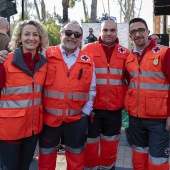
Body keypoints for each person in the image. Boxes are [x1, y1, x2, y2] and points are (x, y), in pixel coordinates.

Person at [38, 20, 96, 170]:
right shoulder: (46, 54)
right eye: (68, 33)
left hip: (77, 120)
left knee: (76, 159)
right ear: (60, 34)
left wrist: (86, 112)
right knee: (46, 158)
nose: (72, 37)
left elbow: (92, 88)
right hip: (49, 119)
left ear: (81, 37)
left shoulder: (88, 60)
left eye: (77, 34)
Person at [0, 19, 49, 170]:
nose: (31, 38)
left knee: (25, 166)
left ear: (40, 39)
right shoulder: (5, 62)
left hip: (32, 129)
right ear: (19, 38)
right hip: (10, 130)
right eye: (26, 34)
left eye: (35, 34)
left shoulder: (44, 63)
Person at [82, 17, 130, 170]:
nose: (108, 33)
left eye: (112, 30)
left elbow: (132, 81)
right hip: (92, 110)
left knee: (110, 146)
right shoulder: (88, 50)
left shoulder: (126, 53)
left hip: (114, 111)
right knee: (90, 145)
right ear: (100, 31)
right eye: (105, 30)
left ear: (117, 32)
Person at [124, 17, 170, 170]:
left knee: (158, 162)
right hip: (136, 120)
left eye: (141, 30)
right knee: (138, 160)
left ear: (148, 32)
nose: (137, 34)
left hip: (159, 121)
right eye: (133, 32)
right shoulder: (129, 58)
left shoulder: (164, 53)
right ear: (130, 36)